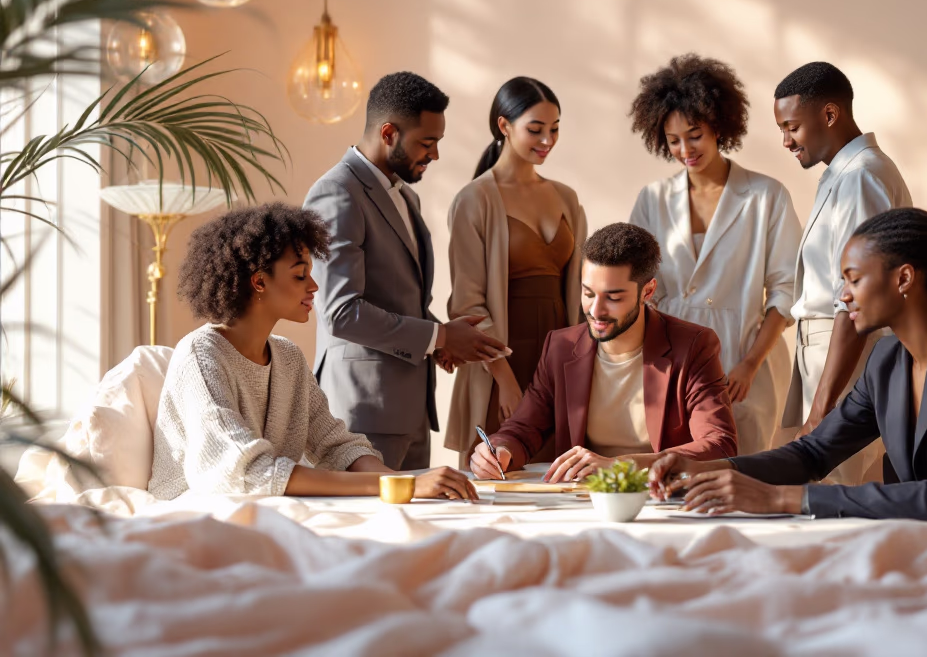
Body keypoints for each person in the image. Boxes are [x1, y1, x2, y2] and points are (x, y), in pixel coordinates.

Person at [648, 207, 927, 537]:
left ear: (903, 278)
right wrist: (710, 470)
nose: (843, 295)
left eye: (852, 279)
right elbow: (812, 454)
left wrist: (778, 498)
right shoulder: (887, 360)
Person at [149, 204, 477, 501]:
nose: (314, 286)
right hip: (193, 517)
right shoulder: (200, 355)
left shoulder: (288, 357)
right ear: (259, 282)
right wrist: (398, 486)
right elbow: (246, 472)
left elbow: (336, 446)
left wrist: (401, 486)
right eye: (299, 275)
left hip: (265, 515)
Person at [304, 71, 507, 470]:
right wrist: (440, 334)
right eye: (426, 143)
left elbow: (400, 297)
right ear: (388, 133)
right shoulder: (336, 193)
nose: (434, 155)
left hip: (411, 410)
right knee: (366, 532)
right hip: (361, 414)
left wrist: (441, 341)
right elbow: (341, 312)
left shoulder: (406, 196)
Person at [469, 223, 737, 483]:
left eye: (614, 298)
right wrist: (499, 451)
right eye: (588, 293)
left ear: (648, 291)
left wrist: (618, 466)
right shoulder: (561, 347)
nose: (596, 310)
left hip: (657, 499)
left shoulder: (693, 345)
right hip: (581, 501)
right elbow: (523, 429)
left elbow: (719, 445)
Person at [628, 54, 800, 454]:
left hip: (745, 361)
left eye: (695, 135)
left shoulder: (765, 196)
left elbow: (786, 290)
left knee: (748, 478)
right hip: (670, 364)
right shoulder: (652, 200)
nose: (685, 149)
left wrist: (750, 364)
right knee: (672, 479)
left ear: (718, 126)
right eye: (673, 140)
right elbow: (635, 286)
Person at [775, 61, 912, 484]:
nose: (785, 141)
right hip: (824, 352)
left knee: (835, 496)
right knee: (812, 489)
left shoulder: (860, 176)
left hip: (845, 352)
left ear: (829, 115)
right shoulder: (845, 174)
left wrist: (822, 409)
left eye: (792, 127)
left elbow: (856, 296)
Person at [445, 77, 587, 464]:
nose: (548, 140)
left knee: (560, 477)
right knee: (496, 474)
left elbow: (581, 291)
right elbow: (467, 305)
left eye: (555, 129)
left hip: (558, 361)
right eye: (536, 129)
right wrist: (505, 381)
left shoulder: (566, 198)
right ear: (504, 126)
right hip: (501, 363)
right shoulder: (474, 199)